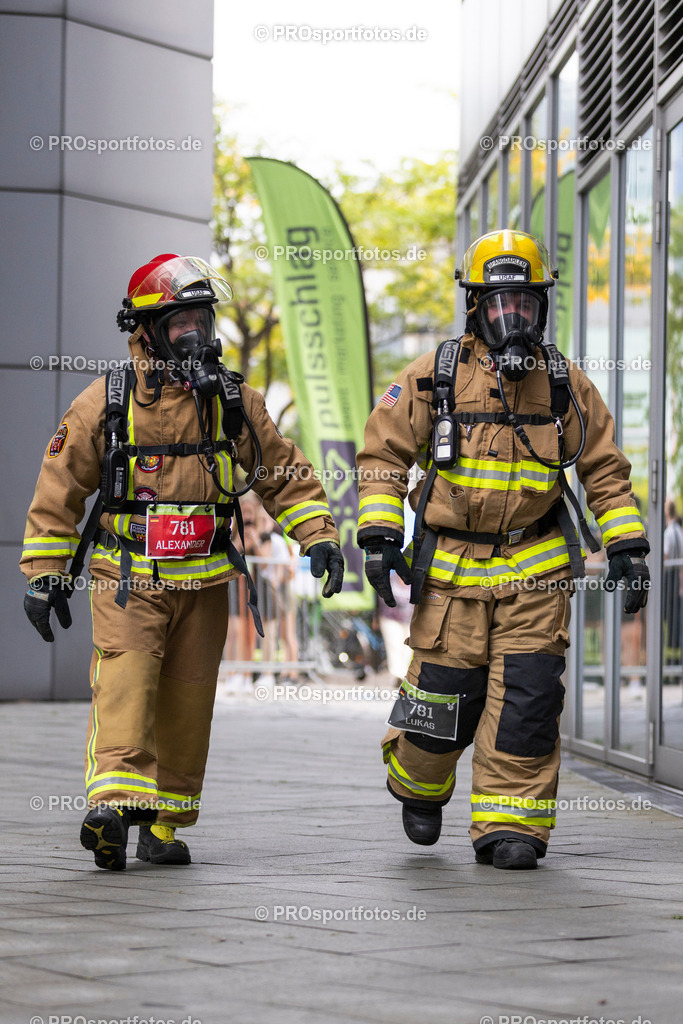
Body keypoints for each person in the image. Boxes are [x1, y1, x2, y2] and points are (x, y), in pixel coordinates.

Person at [21, 253, 344, 870]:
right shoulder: (105, 401)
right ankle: (112, 808)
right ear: (145, 329)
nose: (195, 334)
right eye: (181, 323)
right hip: (128, 578)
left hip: (204, 581)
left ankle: (162, 827)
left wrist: (319, 535)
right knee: (126, 683)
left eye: (202, 319)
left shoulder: (231, 401)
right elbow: (58, 489)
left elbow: (281, 471)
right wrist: (44, 575)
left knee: (188, 704)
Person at [357, 230, 649, 870]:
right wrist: (379, 537)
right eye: (498, 303)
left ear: (540, 308)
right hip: (453, 573)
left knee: (529, 697)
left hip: (535, 573)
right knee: (442, 698)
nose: (510, 316)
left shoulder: (565, 385)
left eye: (523, 303)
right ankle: (419, 786)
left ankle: (510, 825)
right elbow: (382, 455)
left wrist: (627, 546)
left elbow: (603, 468)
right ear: (475, 307)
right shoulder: (433, 377)